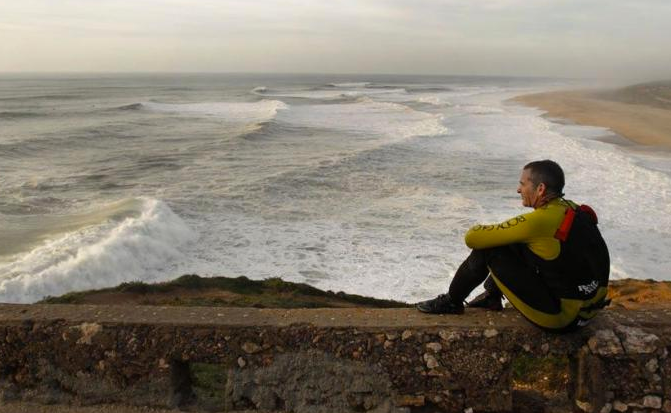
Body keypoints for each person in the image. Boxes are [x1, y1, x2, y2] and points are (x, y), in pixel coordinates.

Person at [416, 160, 610, 332]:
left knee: (490, 249)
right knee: (518, 244)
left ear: (540, 189)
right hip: (588, 309)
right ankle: (492, 297)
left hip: (562, 317)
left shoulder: (539, 221)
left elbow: (473, 238)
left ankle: (452, 302)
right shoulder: (573, 210)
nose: (519, 190)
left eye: (522, 184)